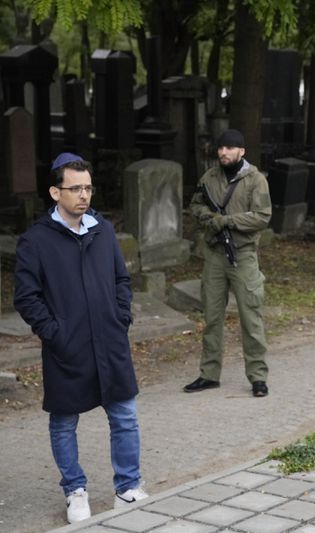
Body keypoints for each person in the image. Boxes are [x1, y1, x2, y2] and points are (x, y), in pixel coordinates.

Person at [14, 153, 148, 524]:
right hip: (66, 348)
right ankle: (74, 489)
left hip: (110, 341)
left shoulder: (102, 230)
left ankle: (128, 486)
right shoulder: (36, 241)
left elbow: (122, 279)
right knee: (64, 421)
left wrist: (121, 317)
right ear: (56, 192)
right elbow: (26, 297)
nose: (84, 195)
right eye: (76, 188)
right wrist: (54, 333)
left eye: (88, 188)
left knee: (125, 415)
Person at [184, 129, 272, 397]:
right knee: (212, 317)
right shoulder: (209, 177)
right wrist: (208, 218)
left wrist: (228, 221)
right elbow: (195, 205)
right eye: (220, 148)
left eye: (230, 148)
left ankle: (258, 377)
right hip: (214, 256)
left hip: (243, 256)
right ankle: (209, 374)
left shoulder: (255, 180)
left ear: (241, 151)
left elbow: (262, 216)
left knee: (251, 317)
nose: (223, 152)